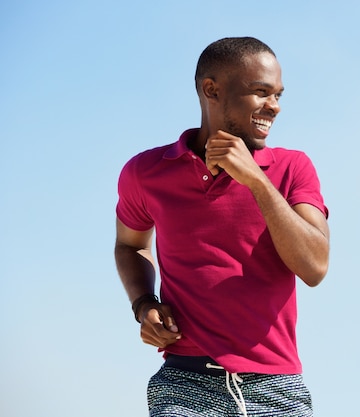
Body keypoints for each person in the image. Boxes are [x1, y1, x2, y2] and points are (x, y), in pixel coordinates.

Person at [114, 37, 330, 417]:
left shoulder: (293, 168)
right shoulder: (145, 172)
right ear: (211, 89)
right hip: (184, 385)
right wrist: (143, 302)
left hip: (277, 389)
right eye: (260, 92)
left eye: (278, 95)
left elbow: (314, 267)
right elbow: (130, 245)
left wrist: (257, 182)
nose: (274, 107)